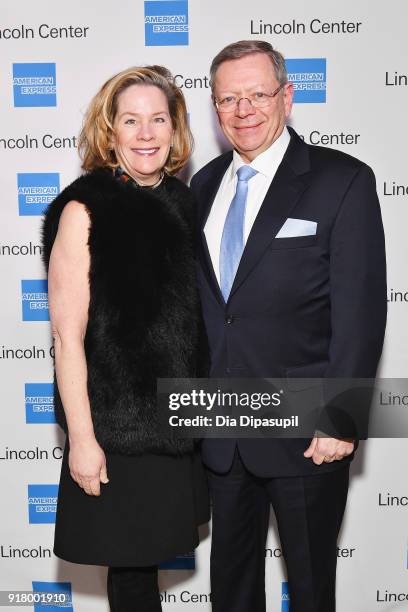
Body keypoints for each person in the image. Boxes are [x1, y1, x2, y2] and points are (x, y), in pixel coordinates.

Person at [190, 40, 387, 612]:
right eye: (229, 98)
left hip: (307, 432)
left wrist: (341, 417)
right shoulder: (202, 187)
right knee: (230, 591)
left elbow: (361, 309)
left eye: (257, 94)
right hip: (222, 430)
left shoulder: (341, 179)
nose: (243, 109)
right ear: (215, 106)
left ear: (287, 97)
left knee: (308, 588)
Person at [42, 65, 209, 612]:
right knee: (133, 576)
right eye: (131, 120)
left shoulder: (186, 204)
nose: (146, 133)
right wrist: (83, 441)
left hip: (182, 423)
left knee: (153, 565)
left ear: (175, 128)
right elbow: (67, 339)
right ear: (108, 130)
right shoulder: (84, 209)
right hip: (118, 432)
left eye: (158, 119)